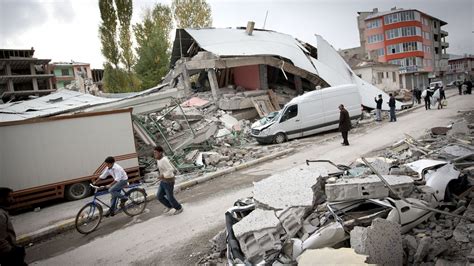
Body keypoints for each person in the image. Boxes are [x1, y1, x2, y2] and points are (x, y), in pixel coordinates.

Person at [0, 187, 27, 266]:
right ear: (1, 199)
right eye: (9, 197)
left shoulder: (3, 212)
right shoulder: (1, 215)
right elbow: (0, 239)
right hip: (8, 254)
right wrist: (11, 251)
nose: (12, 199)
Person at [154, 146, 183, 215]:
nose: (154, 154)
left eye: (156, 152)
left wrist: (163, 175)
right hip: (163, 181)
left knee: (170, 197)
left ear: (160, 152)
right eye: (154, 153)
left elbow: (171, 169)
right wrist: (160, 175)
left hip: (169, 181)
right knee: (159, 196)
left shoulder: (164, 160)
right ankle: (169, 206)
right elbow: (162, 169)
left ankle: (179, 208)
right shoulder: (158, 159)